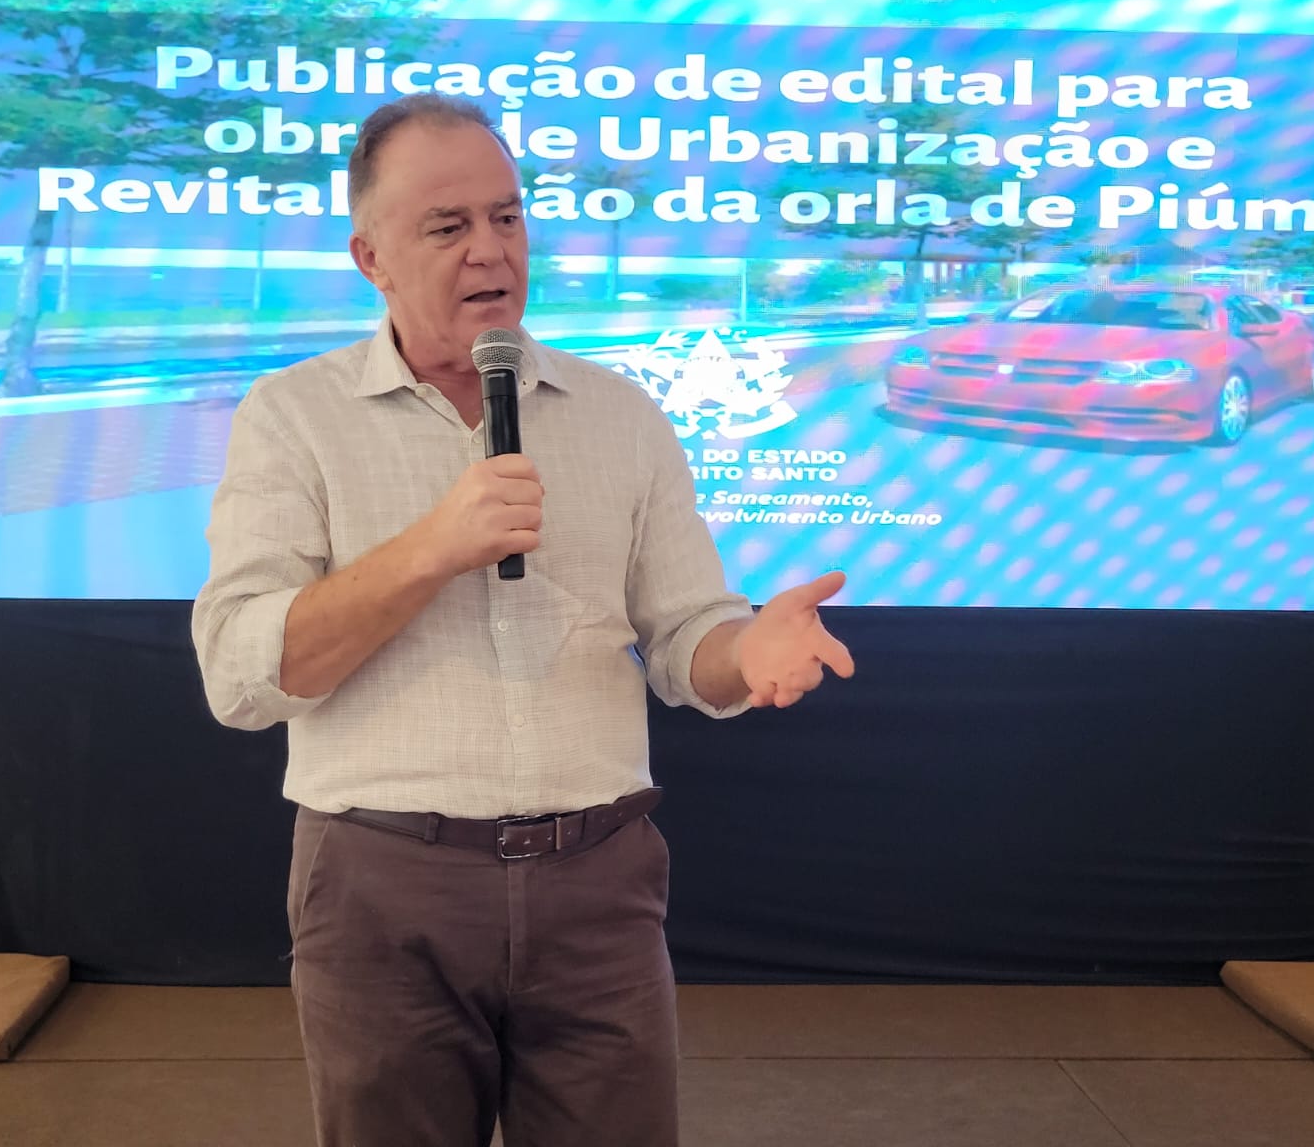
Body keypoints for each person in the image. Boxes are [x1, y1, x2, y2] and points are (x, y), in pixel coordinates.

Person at [191, 92, 854, 1147]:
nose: (490, 250)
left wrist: (744, 652)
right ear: (371, 258)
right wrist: (431, 547)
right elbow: (240, 673)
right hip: (382, 888)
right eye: (447, 226)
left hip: (599, 885)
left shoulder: (619, 413)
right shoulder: (293, 416)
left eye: (507, 216)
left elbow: (686, 634)